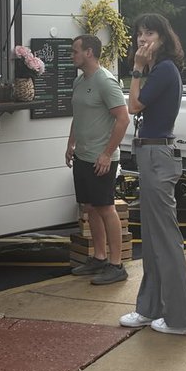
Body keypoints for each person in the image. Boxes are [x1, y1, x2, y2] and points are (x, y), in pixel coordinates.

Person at [118, 14, 186, 336]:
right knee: (152, 238)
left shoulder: (163, 69)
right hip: (151, 154)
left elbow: (134, 106)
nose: (142, 38)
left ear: (163, 38)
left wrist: (137, 69)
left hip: (156, 155)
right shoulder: (161, 70)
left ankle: (181, 318)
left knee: (165, 239)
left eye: (149, 33)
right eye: (139, 33)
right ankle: (149, 308)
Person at [66, 34, 131, 285]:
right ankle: (99, 257)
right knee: (89, 207)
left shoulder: (105, 81)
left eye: (75, 51)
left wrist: (106, 154)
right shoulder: (79, 81)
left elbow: (123, 119)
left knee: (105, 207)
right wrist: (70, 144)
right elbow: (79, 115)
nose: (72, 55)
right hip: (82, 155)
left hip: (101, 158)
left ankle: (116, 265)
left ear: (89, 52)